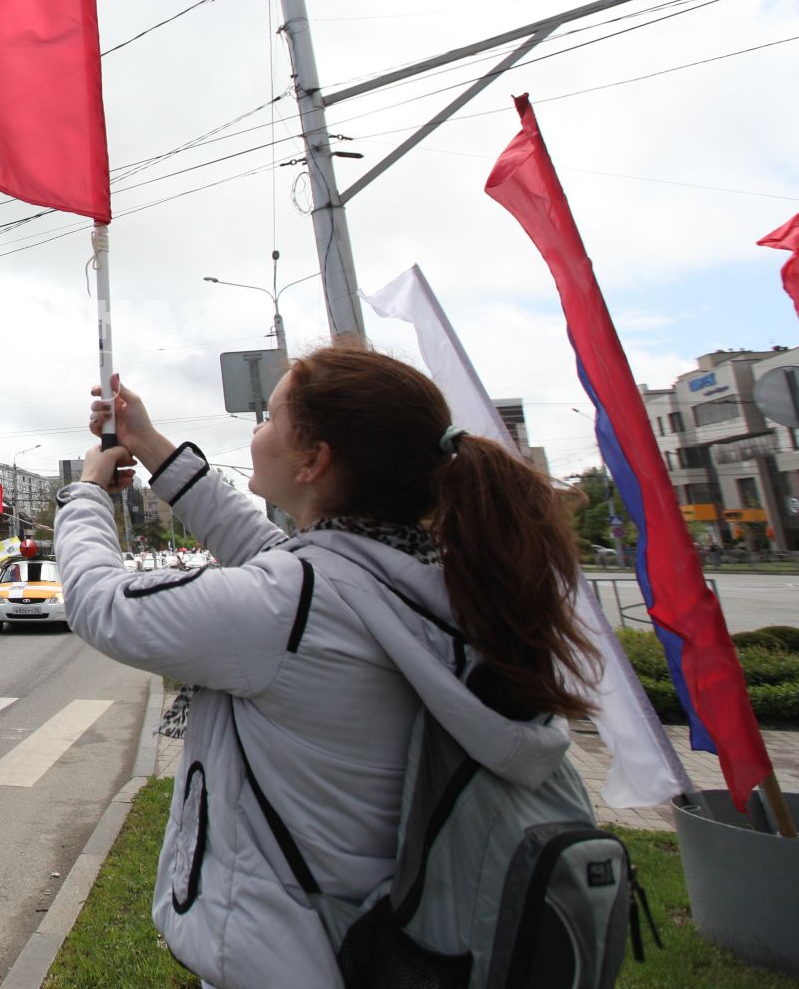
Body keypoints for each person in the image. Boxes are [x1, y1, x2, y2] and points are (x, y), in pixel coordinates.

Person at [54, 352, 599, 989]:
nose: (257, 432)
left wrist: (87, 490)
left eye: (271, 419)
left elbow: (101, 603)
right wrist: (145, 441)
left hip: (304, 960)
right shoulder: (420, 576)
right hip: (380, 946)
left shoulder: (295, 603)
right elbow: (267, 548)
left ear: (313, 461)